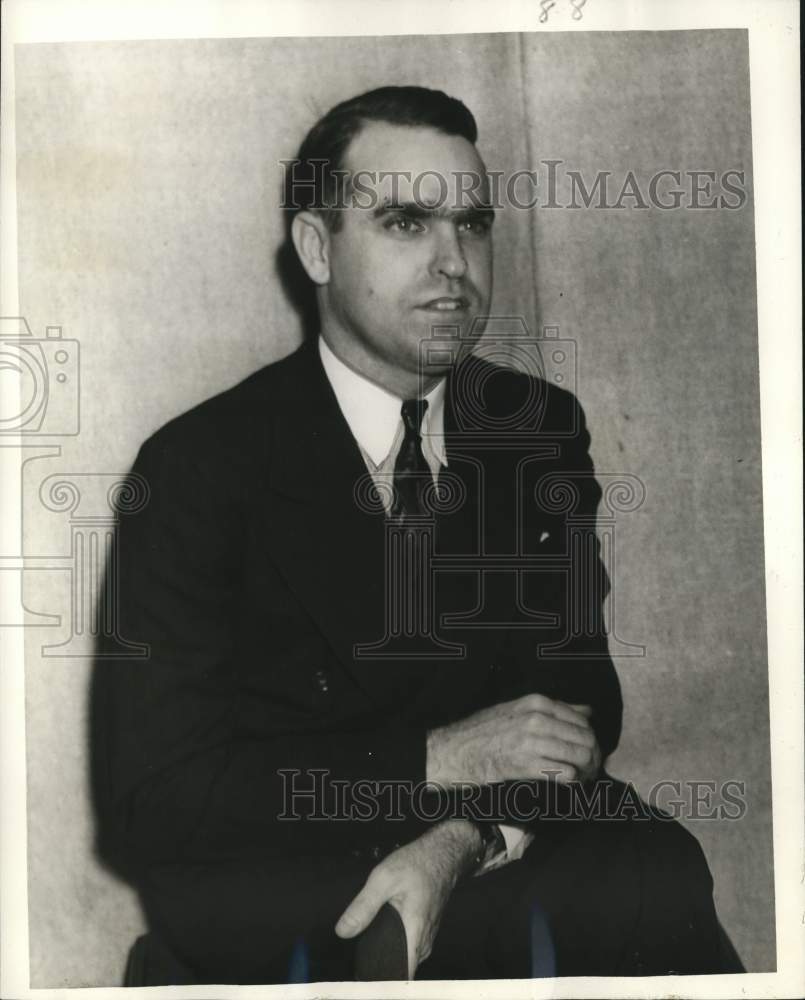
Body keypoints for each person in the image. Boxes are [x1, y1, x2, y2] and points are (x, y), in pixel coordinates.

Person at [92, 85, 729, 983]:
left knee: (651, 870)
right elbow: (155, 802)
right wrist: (430, 760)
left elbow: (577, 703)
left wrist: (465, 838)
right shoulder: (198, 466)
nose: (453, 264)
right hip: (298, 895)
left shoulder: (535, 426)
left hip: (501, 859)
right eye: (404, 224)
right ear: (317, 247)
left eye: (470, 224)